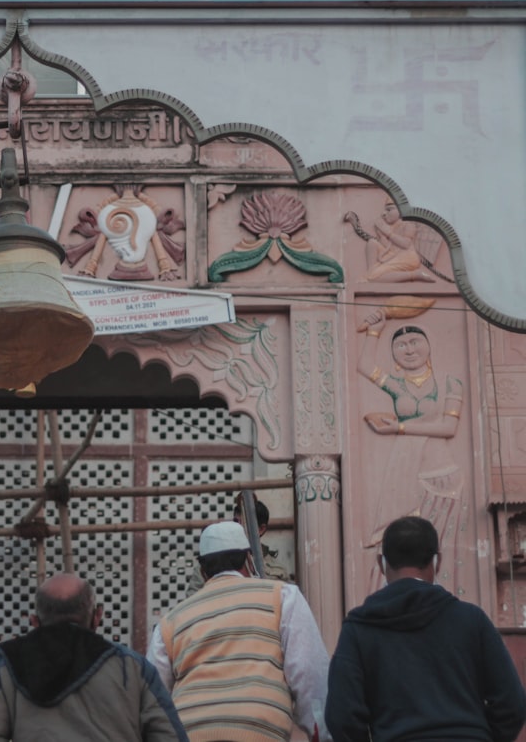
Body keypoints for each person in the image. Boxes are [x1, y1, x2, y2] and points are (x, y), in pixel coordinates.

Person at [326, 516, 526, 741]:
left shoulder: (359, 629)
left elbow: (342, 716)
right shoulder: (472, 620)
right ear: (437, 562)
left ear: (381, 563)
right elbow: (512, 703)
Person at [148, 521, 330, 741]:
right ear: (248, 559)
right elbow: (307, 672)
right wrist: (318, 730)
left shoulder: (170, 622)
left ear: (203, 570)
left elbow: (153, 697)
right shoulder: (283, 597)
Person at [0, 572, 188, 742]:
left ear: (34, 621)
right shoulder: (132, 667)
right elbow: (168, 735)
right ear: (97, 616)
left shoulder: (8, 663)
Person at [357, 309, 466, 589]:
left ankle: (438, 608)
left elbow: (448, 429)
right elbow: (365, 364)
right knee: (397, 543)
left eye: (415, 342)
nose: (408, 349)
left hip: (442, 477)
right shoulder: (397, 386)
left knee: (437, 547)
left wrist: (400, 428)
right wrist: (374, 331)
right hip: (402, 474)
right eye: (401, 345)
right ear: (393, 354)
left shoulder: (449, 382)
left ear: (429, 344)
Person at [187, 496, 290, 595]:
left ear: (261, 529)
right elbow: (193, 599)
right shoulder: (214, 562)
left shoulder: (278, 570)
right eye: (237, 522)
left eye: (247, 523)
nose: (239, 527)